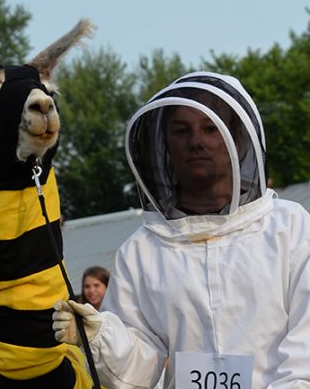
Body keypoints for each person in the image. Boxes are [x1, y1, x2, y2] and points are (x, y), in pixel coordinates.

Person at [53, 71, 310, 388]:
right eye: (181, 130)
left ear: (238, 138)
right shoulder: (141, 251)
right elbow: (138, 371)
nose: (196, 141)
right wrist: (101, 336)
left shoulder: (292, 230)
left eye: (210, 127)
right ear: (164, 143)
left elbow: (304, 354)